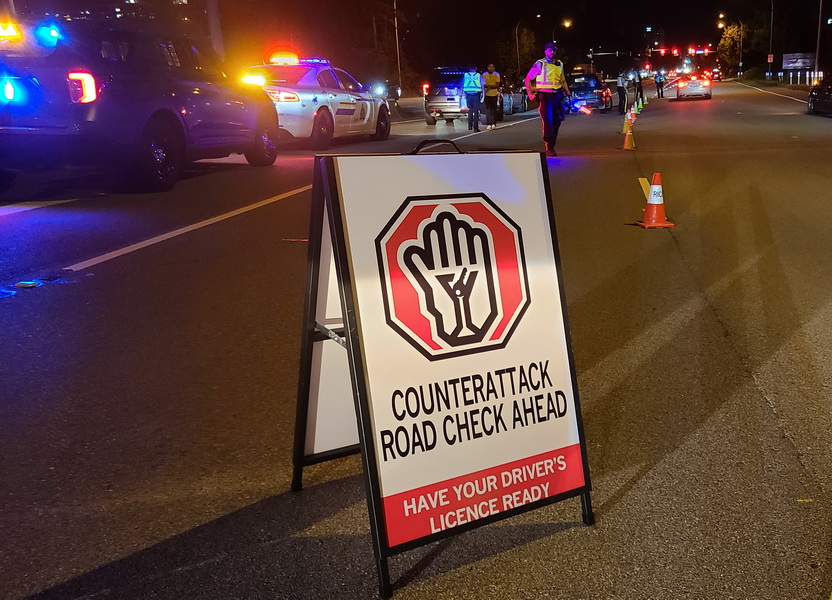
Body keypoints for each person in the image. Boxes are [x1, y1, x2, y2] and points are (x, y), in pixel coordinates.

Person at [524, 42, 571, 157]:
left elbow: (563, 81)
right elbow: (528, 79)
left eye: (554, 50)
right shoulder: (540, 64)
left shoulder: (559, 64)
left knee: (558, 121)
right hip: (545, 96)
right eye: (550, 50)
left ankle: (551, 144)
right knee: (548, 121)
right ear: (545, 51)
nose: (552, 52)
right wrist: (530, 94)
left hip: (557, 95)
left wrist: (569, 94)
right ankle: (549, 147)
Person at [461, 65, 484, 131]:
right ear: (476, 68)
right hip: (476, 95)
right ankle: (476, 128)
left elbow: (462, 85)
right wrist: (483, 95)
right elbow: (482, 85)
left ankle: (470, 126)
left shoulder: (465, 75)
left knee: (470, 110)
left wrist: (461, 95)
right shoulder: (478, 75)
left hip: (468, 94)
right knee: (476, 111)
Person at [482, 63, 501, 130]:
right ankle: (489, 123)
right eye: (489, 67)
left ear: (494, 68)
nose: (491, 68)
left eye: (492, 67)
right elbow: (483, 84)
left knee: (494, 110)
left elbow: (497, 84)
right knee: (488, 110)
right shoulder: (484, 74)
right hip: (486, 94)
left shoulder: (496, 74)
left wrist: (489, 86)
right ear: (487, 67)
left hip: (494, 94)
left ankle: (493, 123)